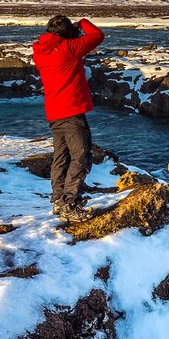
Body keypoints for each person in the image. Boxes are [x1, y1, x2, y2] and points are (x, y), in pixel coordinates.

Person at [32, 14, 105, 222]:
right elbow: (97, 35)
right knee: (81, 157)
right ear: (67, 33)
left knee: (61, 156)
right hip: (72, 111)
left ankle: (58, 200)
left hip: (54, 113)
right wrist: (82, 23)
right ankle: (70, 204)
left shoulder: (41, 52)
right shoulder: (68, 49)